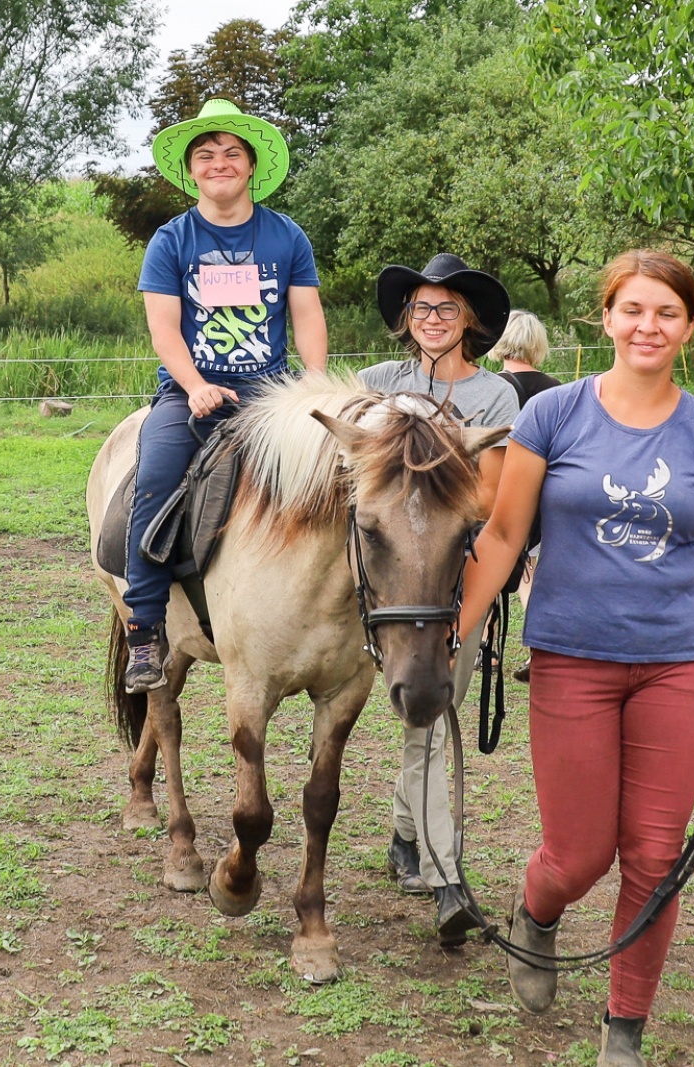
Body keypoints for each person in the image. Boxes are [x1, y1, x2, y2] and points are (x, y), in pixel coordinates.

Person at [455, 251, 694, 1066]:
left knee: (656, 857)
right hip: (572, 656)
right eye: (632, 309)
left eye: (666, 312)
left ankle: (624, 1024)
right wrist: (454, 634)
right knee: (580, 852)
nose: (648, 325)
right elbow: (504, 535)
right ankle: (537, 908)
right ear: (606, 317)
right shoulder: (552, 415)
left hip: (678, 663)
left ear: (689, 326)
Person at [122, 100, 328, 692]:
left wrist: (313, 379)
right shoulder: (171, 240)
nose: (220, 163)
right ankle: (144, 628)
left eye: (232, 153)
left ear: (251, 166)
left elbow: (306, 313)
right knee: (155, 478)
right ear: (191, 172)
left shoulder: (286, 235)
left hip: (270, 393)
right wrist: (194, 386)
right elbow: (163, 328)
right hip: (190, 394)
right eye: (206, 155)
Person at [358, 253, 519, 945]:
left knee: (431, 716)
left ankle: (421, 850)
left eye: (446, 309)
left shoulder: (496, 400)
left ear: (470, 321)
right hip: (393, 580)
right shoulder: (374, 385)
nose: (430, 320)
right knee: (423, 719)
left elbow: (487, 496)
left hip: (457, 574)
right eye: (420, 309)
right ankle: (433, 863)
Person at [487, 310, 563, 682]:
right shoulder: (557, 390)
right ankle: (539, 651)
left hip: (497, 493)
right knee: (531, 576)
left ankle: (488, 649)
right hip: (542, 496)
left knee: (485, 566)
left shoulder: (489, 386)